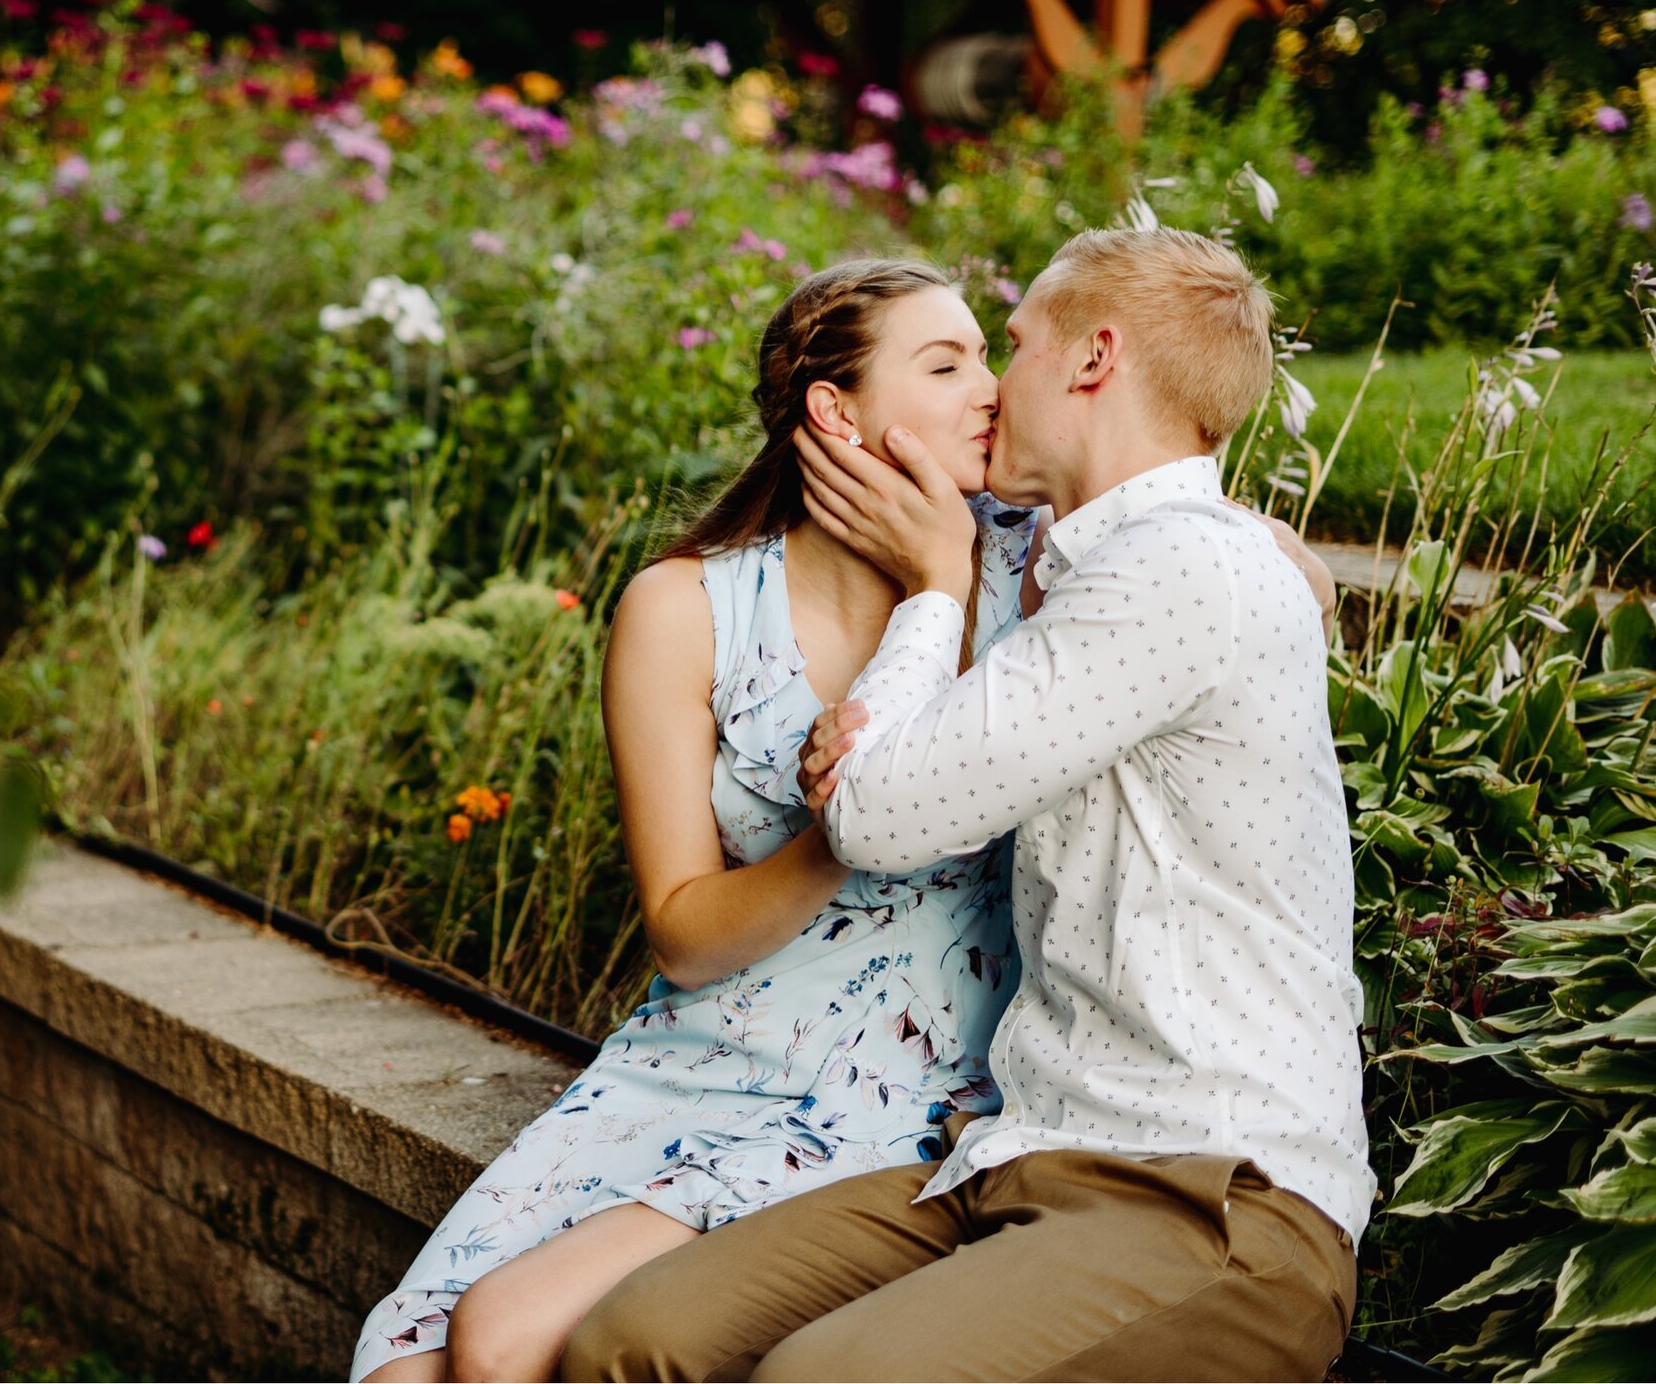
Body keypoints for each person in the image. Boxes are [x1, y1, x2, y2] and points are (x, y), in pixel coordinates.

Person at [354, 255, 1336, 1383]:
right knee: (430, 1360)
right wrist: (844, 812)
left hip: (931, 1083)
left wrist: (922, 644)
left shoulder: (1032, 565)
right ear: (833, 411)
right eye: (948, 360)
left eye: (993, 351)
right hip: (717, 1056)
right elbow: (685, 927)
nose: (987, 387)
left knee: (516, 1338)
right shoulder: (693, 604)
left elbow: (1233, 558)